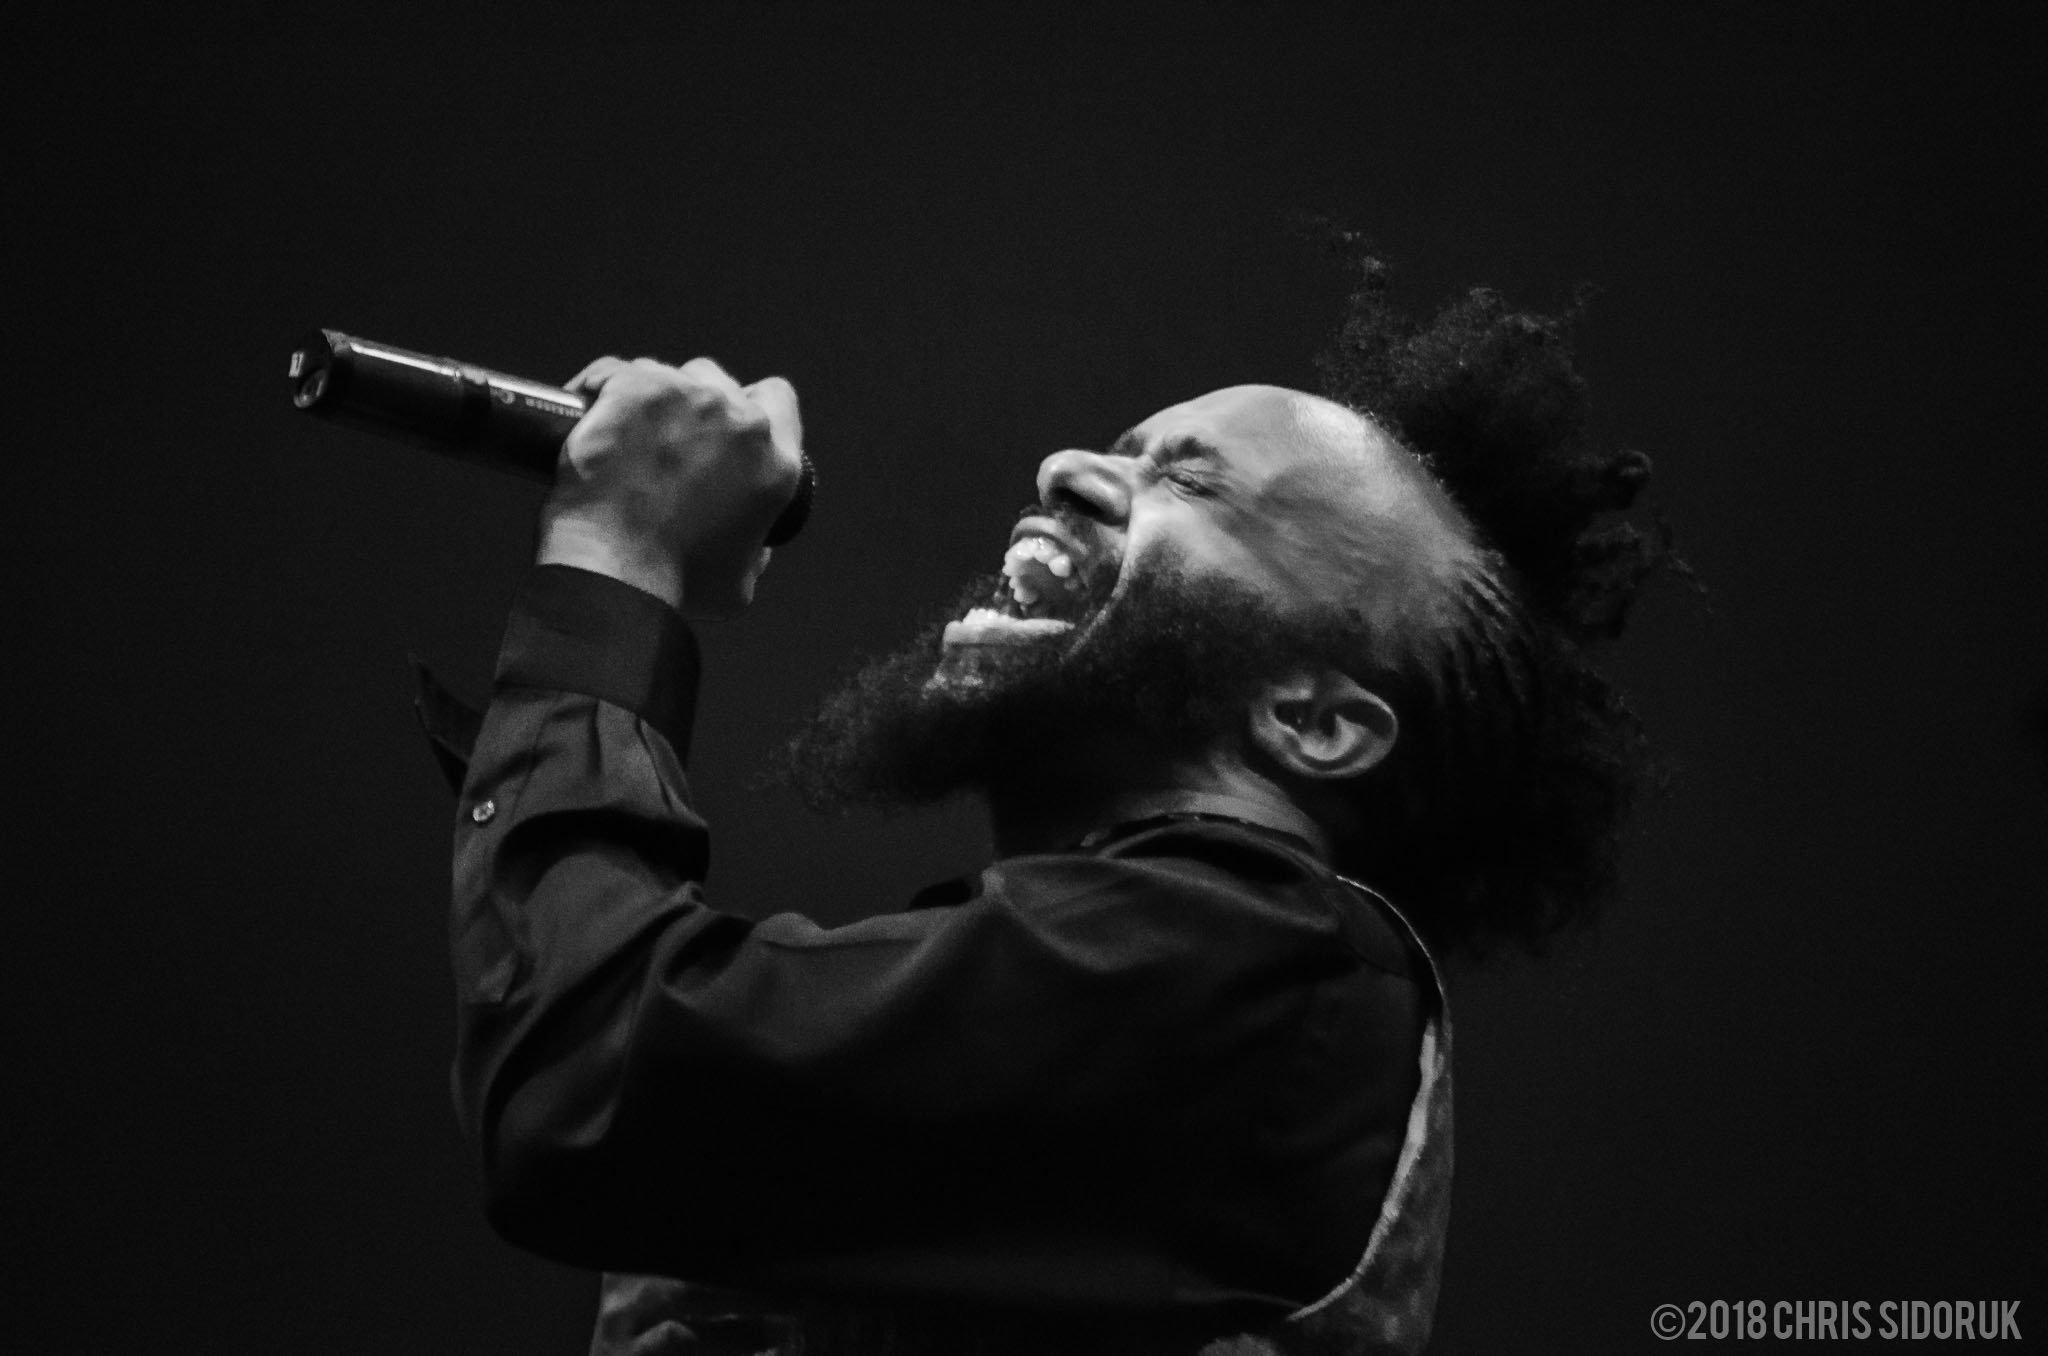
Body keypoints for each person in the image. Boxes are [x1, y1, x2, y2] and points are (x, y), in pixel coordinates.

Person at [421, 257, 1672, 1355]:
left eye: (1191, 484)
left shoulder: (1255, 967)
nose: (1063, 467)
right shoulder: (1130, 1001)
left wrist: (616, 559)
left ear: (1316, 722)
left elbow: (591, 1086)